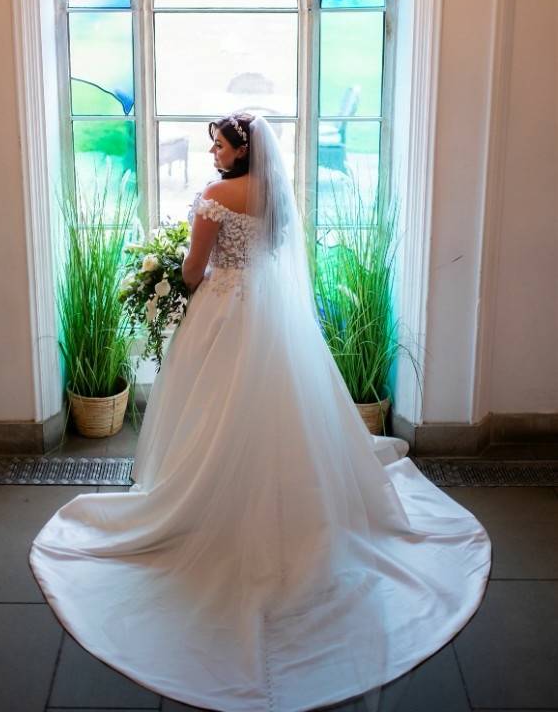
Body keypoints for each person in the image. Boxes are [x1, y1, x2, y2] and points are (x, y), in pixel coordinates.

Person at [31, 114, 491, 712]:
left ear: (242, 148)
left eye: (219, 144)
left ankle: (206, 494)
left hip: (223, 313)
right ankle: (291, 504)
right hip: (272, 318)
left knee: (211, 407)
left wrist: (176, 279)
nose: (215, 154)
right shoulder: (275, 195)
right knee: (280, 408)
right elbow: (270, 252)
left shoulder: (216, 196)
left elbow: (196, 269)